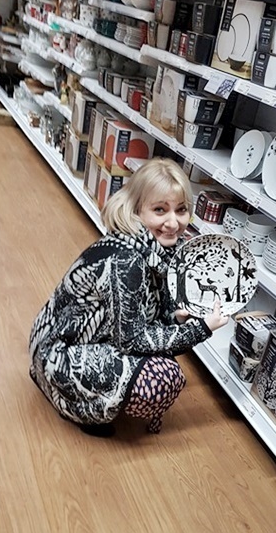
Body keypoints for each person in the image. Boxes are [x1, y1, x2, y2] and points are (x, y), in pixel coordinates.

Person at [29, 157, 228, 437]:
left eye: (181, 210)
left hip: (77, 339)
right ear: (137, 209)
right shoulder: (128, 261)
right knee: (162, 379)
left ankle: (74, 390)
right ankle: (75, 407)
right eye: (160, 210)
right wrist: (201, 329)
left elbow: (146, 313)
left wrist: (176, 317)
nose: (173, 222)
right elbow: (132, 339)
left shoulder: (152, 247)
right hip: (57, 352)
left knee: (160, 362)